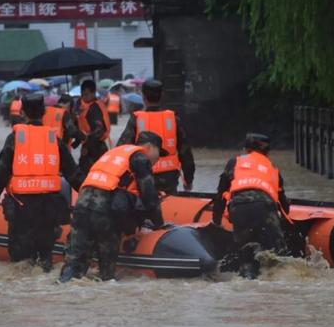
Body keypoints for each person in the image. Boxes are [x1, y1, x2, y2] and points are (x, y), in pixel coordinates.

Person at [0, 93, 84, 272]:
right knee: (44, 262)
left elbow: (0, 172)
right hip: (48, 209)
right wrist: (89, 195)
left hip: (21, 209)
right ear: (44, 112)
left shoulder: (15, 138)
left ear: (23, 112)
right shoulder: (54, 139)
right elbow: (73, 174)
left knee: (20, 265)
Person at [59, 131, 166, 283]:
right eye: (159, 152)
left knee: (74, 261)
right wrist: (159, 224)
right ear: (149, 147)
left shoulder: (115, 153)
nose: (158, 158)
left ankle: (63, 287)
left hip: (81, 205)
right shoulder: (140, 157)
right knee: (107, 270)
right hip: (104, 211)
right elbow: (149, 197)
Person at [212, 133, 290, 279]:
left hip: (239, 208)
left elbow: (220, 195)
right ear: (267, 152)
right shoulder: (273, 168)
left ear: (246, 149)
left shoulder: (235, 162)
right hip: (265, 208)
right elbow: (284, 205)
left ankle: (248, 277)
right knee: (278, 254)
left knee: (246, 253)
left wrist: (216, 221)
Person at [116, 79, 195, 195]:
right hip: (169, 178)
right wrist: (188, 180)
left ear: (143, 96)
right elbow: (186, 153)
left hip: (143, 176)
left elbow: (121, 149)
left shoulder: (136, 119)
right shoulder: (173, 119)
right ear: (162, 95)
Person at [76, 79, 110, 173]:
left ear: (94, 93)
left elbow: (99, 130)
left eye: (86, 94)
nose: (84, 97)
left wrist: (86, 139)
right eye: (82, 94)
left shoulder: (94, 108)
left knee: (88, 173)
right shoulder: (88, 107)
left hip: (95, 148)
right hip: (93, 145)